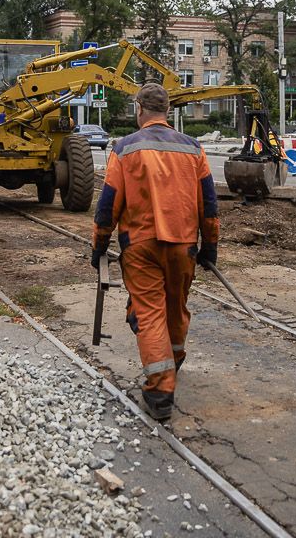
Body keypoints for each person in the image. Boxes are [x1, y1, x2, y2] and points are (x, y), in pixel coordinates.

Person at [92, 83, 218, 421]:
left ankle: (161, 390)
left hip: (141, 247)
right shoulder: (193, 149)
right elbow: (209, 204)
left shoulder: (125, 148)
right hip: (183, 245)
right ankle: (171, 362)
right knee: (176, 307)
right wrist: (212, 246)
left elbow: (108, 204)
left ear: (139, 109)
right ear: (167, 111)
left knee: (148, 314)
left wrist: (99, 244)